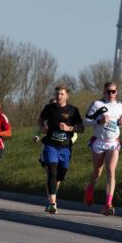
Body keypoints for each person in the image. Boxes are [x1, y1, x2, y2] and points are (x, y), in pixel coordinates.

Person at [36, 85, 84, 213]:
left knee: (60, 175)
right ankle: (53, 203)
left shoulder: (73, 110)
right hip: (51, 145)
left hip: (65, 147)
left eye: (62, 94)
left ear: (67, 96)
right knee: (52, 170)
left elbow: (81, 128)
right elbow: (40, 120)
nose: (59, 96)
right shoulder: (49, 108)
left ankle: (51, 197)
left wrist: (69, 128)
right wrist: (42, 128)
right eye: (57, 94)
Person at [84, 81, 122, 214]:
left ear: (116, 92)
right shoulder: (97, 104)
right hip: (99, 142)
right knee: (97, 172)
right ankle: (90, 188)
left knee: (111, 171)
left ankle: (108, 204)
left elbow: (120, 122)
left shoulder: (121, 106)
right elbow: (85, 122)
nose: (111, 94)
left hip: (113, 142)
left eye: (113, 91)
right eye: (108, 91)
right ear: (104, 92)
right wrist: (99, 121)